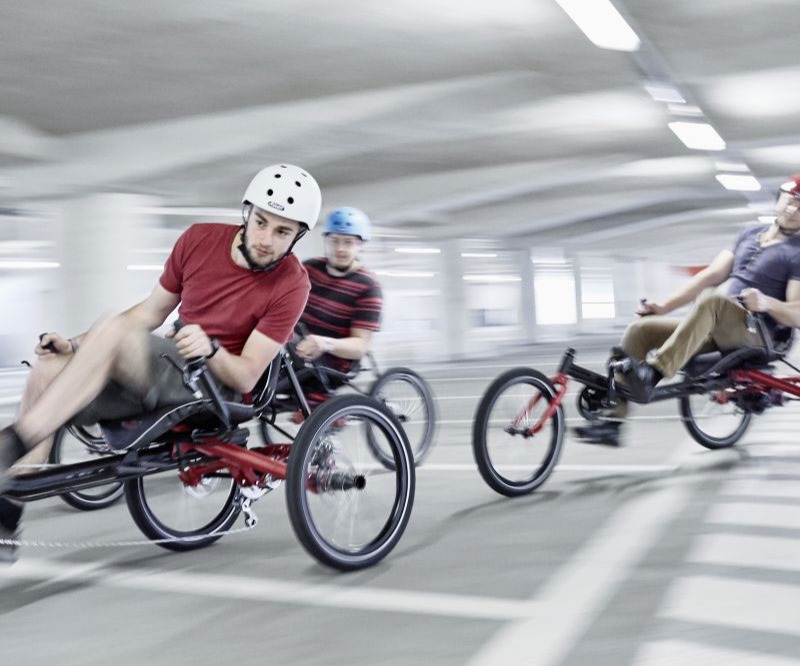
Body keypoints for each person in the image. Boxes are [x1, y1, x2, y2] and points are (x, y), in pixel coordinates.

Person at [0, 164, 321, 554]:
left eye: (282, 232)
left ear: (298, 236)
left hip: (213, 385)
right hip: (162, 373)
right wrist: (73, 345)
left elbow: (248, 376)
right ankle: (7, 514)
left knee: (115, 332)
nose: (267, 239)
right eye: (261, 222)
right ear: (247, 212)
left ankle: (13, 442)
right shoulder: (198, 239)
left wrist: (213, 348)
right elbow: (147, 314)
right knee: (49, 368)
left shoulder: (292, 282)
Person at [576, 174, 800, 446]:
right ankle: (612, 422)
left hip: (759, 334)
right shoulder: (749, 234)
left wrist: (765, 302)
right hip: (716, 322)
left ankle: (654, 372)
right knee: (640, 329)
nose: (793, 209)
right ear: (779, 199)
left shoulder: (796, 252)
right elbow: (708, 276)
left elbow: (796, 312)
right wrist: (663, 307)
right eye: (791, 200)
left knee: (711, 301)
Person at [288, 207, 382, 407]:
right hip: (297, 347)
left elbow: (360, 346)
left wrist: (324, 343)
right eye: (334, 241)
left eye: (348, 242)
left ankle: (325, 408)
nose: (340, 248)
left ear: (360, 245)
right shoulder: (310, 268)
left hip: (333, 362)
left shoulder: (368, 286)